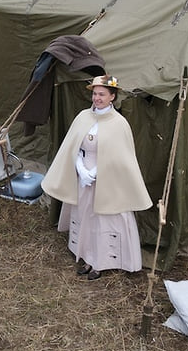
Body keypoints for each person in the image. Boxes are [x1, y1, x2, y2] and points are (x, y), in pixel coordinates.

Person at [41, 75, 152, 281]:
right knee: (85, 216)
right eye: (94, 94)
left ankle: (101, 262)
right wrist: (82, 169)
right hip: (84, 178)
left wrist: (96, 172)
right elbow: (72, 148)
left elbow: (121, 157)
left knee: (103, 220)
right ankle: (86, 256)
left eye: (102, 94)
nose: (97, 98)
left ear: (112, 96)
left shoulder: (119, 123)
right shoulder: (83, 116)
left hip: (108, 182)